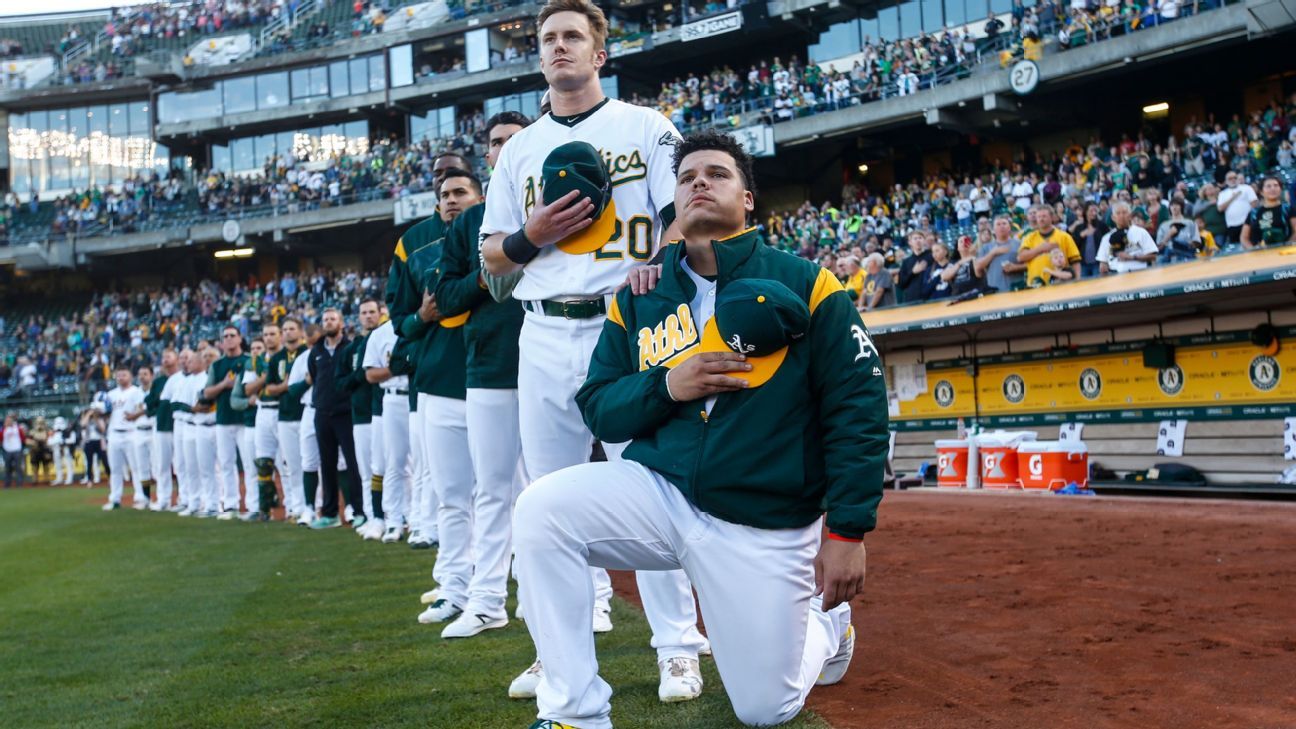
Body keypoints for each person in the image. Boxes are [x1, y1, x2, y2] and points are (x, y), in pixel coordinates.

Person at [513, 130, 885, 729]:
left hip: (761, 519)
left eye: (716, 174)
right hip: (662, 494)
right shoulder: (640, 294)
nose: (698, 184)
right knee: (541, 510)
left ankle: (825, 624)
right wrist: (668, 385)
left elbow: (858, 408)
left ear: (748, 200)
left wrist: (846, 530)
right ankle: (574, 713)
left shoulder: (810, 283)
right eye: (686, 178)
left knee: (766, 709)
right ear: (675, 204)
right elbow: (599, 407)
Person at [479, 0, 707, 702]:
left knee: (650, 488)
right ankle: (559, 656)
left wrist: (661, 270)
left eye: (573, 36)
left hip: (624, 324)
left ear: (600, 53)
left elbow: (685, 216)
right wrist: (533, 232)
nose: (558, 47)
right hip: (543, 325)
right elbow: (492, 259)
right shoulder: (519, 149)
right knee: (547, 502)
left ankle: (678, 646)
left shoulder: (645, 126)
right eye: (548, 39)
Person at [431, 111, 532, 639]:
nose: (503, 148)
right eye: (495, 143)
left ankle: (593, 600)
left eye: (514, 139)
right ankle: (488, 598)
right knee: (492, 490)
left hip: (545, 357)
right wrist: (491, 267)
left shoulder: (557, 201)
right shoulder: (468, 223)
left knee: (556, 488)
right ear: (487, 156)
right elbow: (444, 297)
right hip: (489, 365)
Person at [399, 168, 483, 619]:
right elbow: (401, 325)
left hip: (500, 377)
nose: (451, 200)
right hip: (441, 382)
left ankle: (519, 586)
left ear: (480, 196)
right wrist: (423, 317)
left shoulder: (507, 238)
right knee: (451, 494)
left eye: (460, 192)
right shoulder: (416, 248)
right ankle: (454, 587)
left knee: (510, 492)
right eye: (445, 194)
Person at [306, 308, 363, 529]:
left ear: (341, 322)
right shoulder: (316, 350)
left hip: (346, 413)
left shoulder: (349, 347)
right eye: (325, 320)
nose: (329, 322)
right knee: (326, 465)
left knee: (353, 463)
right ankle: (330, 514)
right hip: (322, 413)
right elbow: (313, 375)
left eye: (333, 319)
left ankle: (359, 510)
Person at [337, 300, 382, 531]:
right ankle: (368, 514)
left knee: (398, 468)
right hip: (362, 415)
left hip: (387, 411)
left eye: (372, 312)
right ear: (358, 317)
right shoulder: (350, 350)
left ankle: (399, 514)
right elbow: (340, 383)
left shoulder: (389, 336)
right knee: (366, 469)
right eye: (364, 313)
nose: (368, 316)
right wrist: (360, 376)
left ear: (380, 313)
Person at [265, 318, 311, 525]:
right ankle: (297, 507)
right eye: (285, 329)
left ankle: (313, 505)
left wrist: (286, 386)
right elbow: (269, 389)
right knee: (291, 464)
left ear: (301, 332)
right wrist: (290, 385)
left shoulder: (308, 353)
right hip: (284, 415)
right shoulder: (276, 359)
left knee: (310, 462)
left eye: (292, 328)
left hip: (306, 412)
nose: (288, 333)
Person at [201, 326, 251, 519]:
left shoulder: (248, 361)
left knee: (249, 463)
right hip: (223, 419)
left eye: (232, 336)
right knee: (226, 463)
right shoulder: (217, 365)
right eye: (225, 336)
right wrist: (223, 385)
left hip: (245, 419)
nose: (229, 339)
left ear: (240, 338)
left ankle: (253, 504)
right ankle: (231, 504)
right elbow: (207, 392)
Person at [242, 323, 285, 521]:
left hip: (282, 409)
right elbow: (247, 390)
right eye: (266, 334)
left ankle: (294, 507)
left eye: (272, 334)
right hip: (263, 411)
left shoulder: (287, 356)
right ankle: (265, 508)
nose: (268, 338)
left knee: (287, 463)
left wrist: (266, 383)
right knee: (263, 462)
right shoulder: (256, 361)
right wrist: (266, 380)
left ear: (280, 336)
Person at [104, 365, 146, 510]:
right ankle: (115, 499)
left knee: (136, 468)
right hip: (114, 433)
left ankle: (140, 497)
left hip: (132, 432)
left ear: (130, 377)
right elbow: (106, 413)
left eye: (124, 375)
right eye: (119, 375)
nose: (121, 377)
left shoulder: (137, 392)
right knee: (115, 469)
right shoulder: (110, 394)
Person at [147, 350, 180, 510]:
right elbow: (150, 403)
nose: (165, 359)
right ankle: (163, 499)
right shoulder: (159, 381)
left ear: (177, 359)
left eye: (168, 356)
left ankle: (184, 498)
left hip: (180, 426)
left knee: (181, 465)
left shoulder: (183, 378)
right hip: (162, 426)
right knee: (162, 465)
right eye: (163, 357)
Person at [1017, 205, 1080, 285]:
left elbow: (1075, 260)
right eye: (1039, 216)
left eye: (1044, 216)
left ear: (1052, 217)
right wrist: (1041, 249)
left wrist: (1077, 280)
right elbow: (1021, 257)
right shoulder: (1029, 238)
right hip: (1036, 284)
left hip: (1061, 284)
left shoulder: (1064, 236)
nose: (1041, 219)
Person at [124, 365, 156, 508]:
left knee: (157, 466)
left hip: (153, 430)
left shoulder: (156, 391)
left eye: (145, 374)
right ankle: (146, 499)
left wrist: (139, 413)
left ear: (151, 375)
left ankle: (162, 497)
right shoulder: (134, 394)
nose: (142, 377)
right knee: (142, 467)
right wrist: (142, 412)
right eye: (140, 374)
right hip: (138, 432)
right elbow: (127, 415)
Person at [1098, 201, 1159, 274]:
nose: (1121, 216)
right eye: (1118, 213)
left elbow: (1153, 256)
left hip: (1140, 273)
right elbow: (1103, 263)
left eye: (1124, 212)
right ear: (1113, 217)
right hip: (1116, 275)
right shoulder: (1106, 238)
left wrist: (1132, 257)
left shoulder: (1141, 232)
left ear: (1130, 215)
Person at [1240, 175, 1295, 248]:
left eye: (1276, 185)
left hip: (1284, 253)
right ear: (1261, 192)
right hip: (1260, 255)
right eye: (1268, 186)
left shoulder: (1289, 209)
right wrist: (1253, 250)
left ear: (1280, 189)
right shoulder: (1254, 213)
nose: (1273, 189)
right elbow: (1244, 237)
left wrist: (1287, 246)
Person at [979, 215, 1026, 292]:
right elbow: (978, 267)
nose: (1001, 226)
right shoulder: (985, 247)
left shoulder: (1020, 244)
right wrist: (993, 253)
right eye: (998, 224)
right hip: (995, 292)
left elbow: (1030, 265)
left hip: (1017, 289)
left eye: (1004, 223)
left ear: (1009, 227)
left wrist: (1015, 267)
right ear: (993, 230)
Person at [1216, 171, 1257, 244]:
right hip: (1232, 225)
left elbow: (1254, 203)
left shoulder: (1246, 188)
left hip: (1248, 223)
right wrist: (1233, 197)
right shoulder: (1222, 194)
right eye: (1230, 178)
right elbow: (1220, 208)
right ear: (1226, 181)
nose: (1233, 180)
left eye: (1235, 177)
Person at [2, 413, 25, 489]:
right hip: (7, 450)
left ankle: (20, 484)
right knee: (8, 468)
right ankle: (7, 484)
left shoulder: (18, 428)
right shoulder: (3, 429)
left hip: (17, 450)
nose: (8, 422)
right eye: (7, 420)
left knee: (18, 468)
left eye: (9, 420)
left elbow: (23, 437)